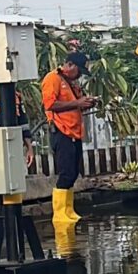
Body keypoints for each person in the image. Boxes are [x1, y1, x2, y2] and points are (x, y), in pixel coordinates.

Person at [42, 52, 96, 224]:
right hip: (61, 131)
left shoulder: (71, 82)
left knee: (73, 172)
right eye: (79, 71)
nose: (79, 75)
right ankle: (59, 214)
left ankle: (69, 210)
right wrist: (77, 103)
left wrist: (86, 103)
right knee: (66, 172)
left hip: (74, 132)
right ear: (70, 65)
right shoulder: (53, 78)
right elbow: (50, 104)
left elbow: (74, 105)